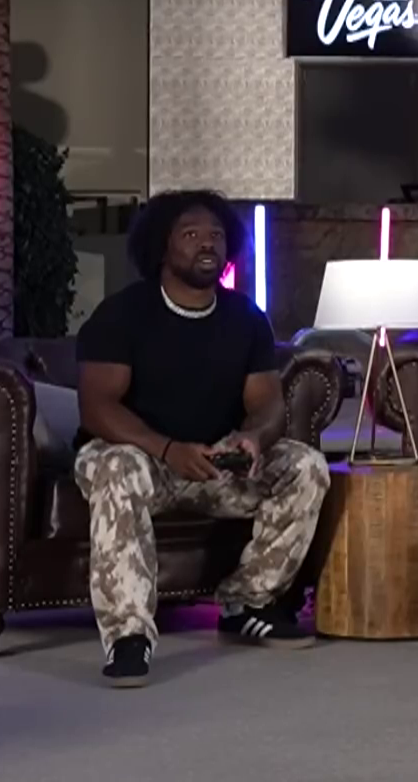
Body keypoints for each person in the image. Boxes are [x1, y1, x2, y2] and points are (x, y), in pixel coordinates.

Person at [75, 190, 331, 688]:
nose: (206, 244)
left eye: (215, 235)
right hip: (139, 459)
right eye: (191, 234)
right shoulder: (121, 314)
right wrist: (168, 450)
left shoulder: (245, 318)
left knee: (305, 466)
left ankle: (246, 603)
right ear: (162, 246)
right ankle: (129, 636)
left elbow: (268, 404)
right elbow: (98, 407)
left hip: (213, 462)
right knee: (117, 467)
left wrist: (254, 437)